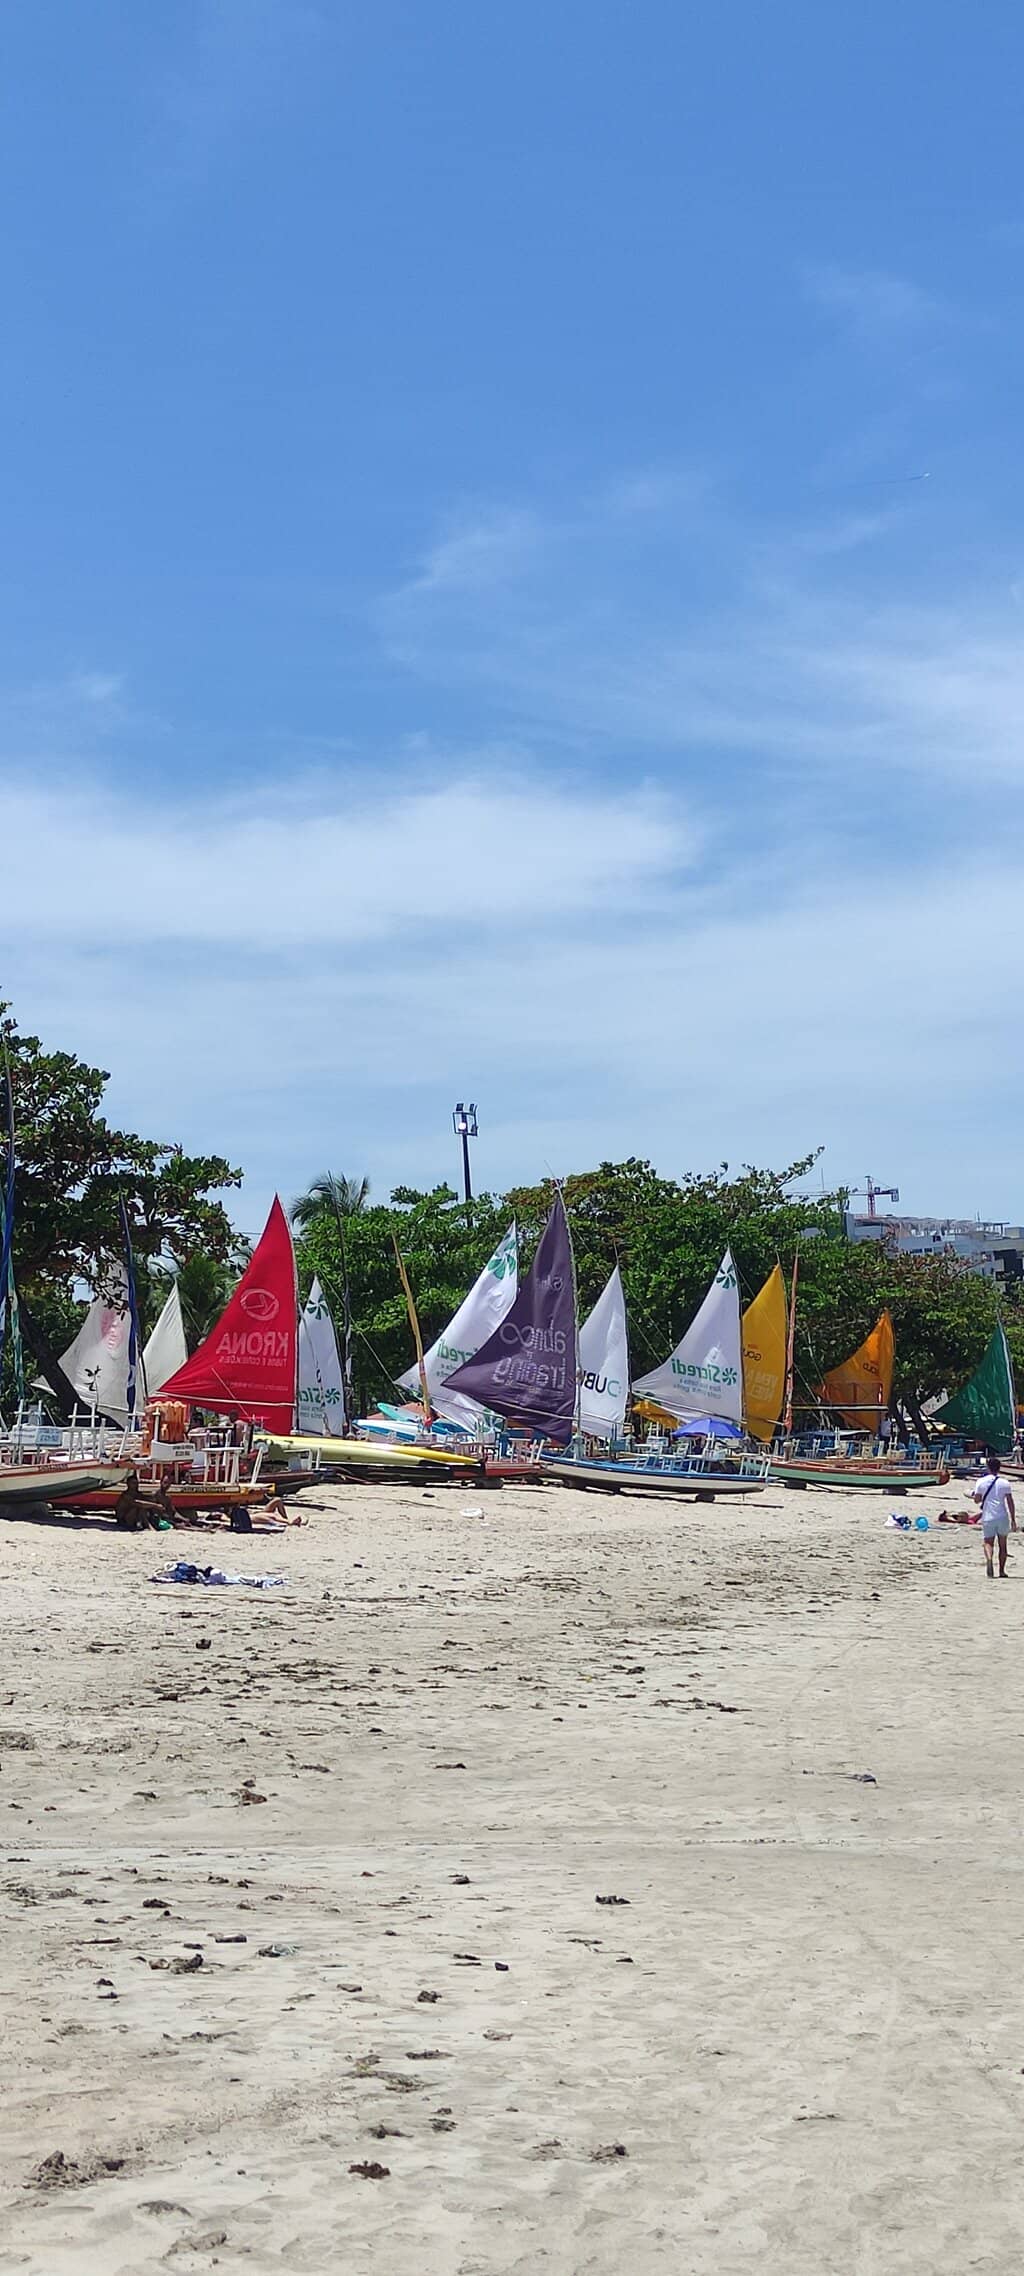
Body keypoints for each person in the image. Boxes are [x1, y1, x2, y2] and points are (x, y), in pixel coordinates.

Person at [971, 1454, 1016, 1578]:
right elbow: (1010, 1502)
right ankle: (1001, 1571)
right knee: (1003, 1544)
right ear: (999, 1468)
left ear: (988, 1468)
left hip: (988, 1516)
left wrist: (974, 1495)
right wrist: (1013, 1519)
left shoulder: (981, 1482)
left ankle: (989, 1559)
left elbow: (977, 1500)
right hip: (1002, 1516)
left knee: (988, 1542)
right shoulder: (1005, 1483)